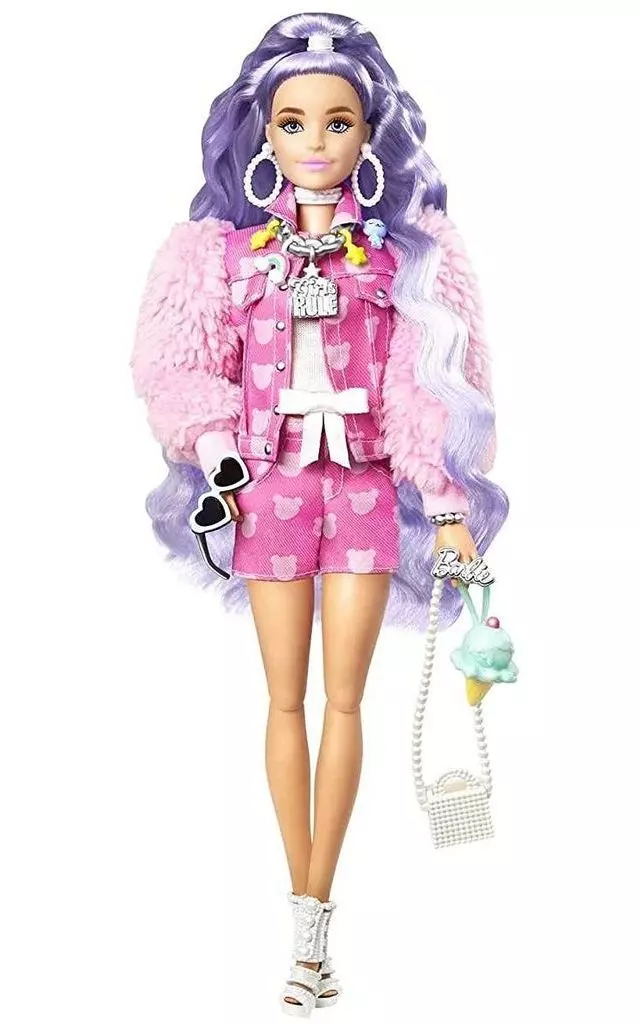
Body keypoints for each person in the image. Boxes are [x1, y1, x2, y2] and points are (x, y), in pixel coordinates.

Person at [130, 12, 508, 1016]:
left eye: (336, 123)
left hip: (366, 488)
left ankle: (314, 920)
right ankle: (306, 924)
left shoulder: (404, 255)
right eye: (293, 123)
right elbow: (182, 366)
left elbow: (428, 384)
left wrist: (446, 500)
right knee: (285, 700)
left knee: (345, 702)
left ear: (368, 135)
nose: (314, 142)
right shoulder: (219, 254)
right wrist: (217, 449)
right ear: (262, 133)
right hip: (270, 491)